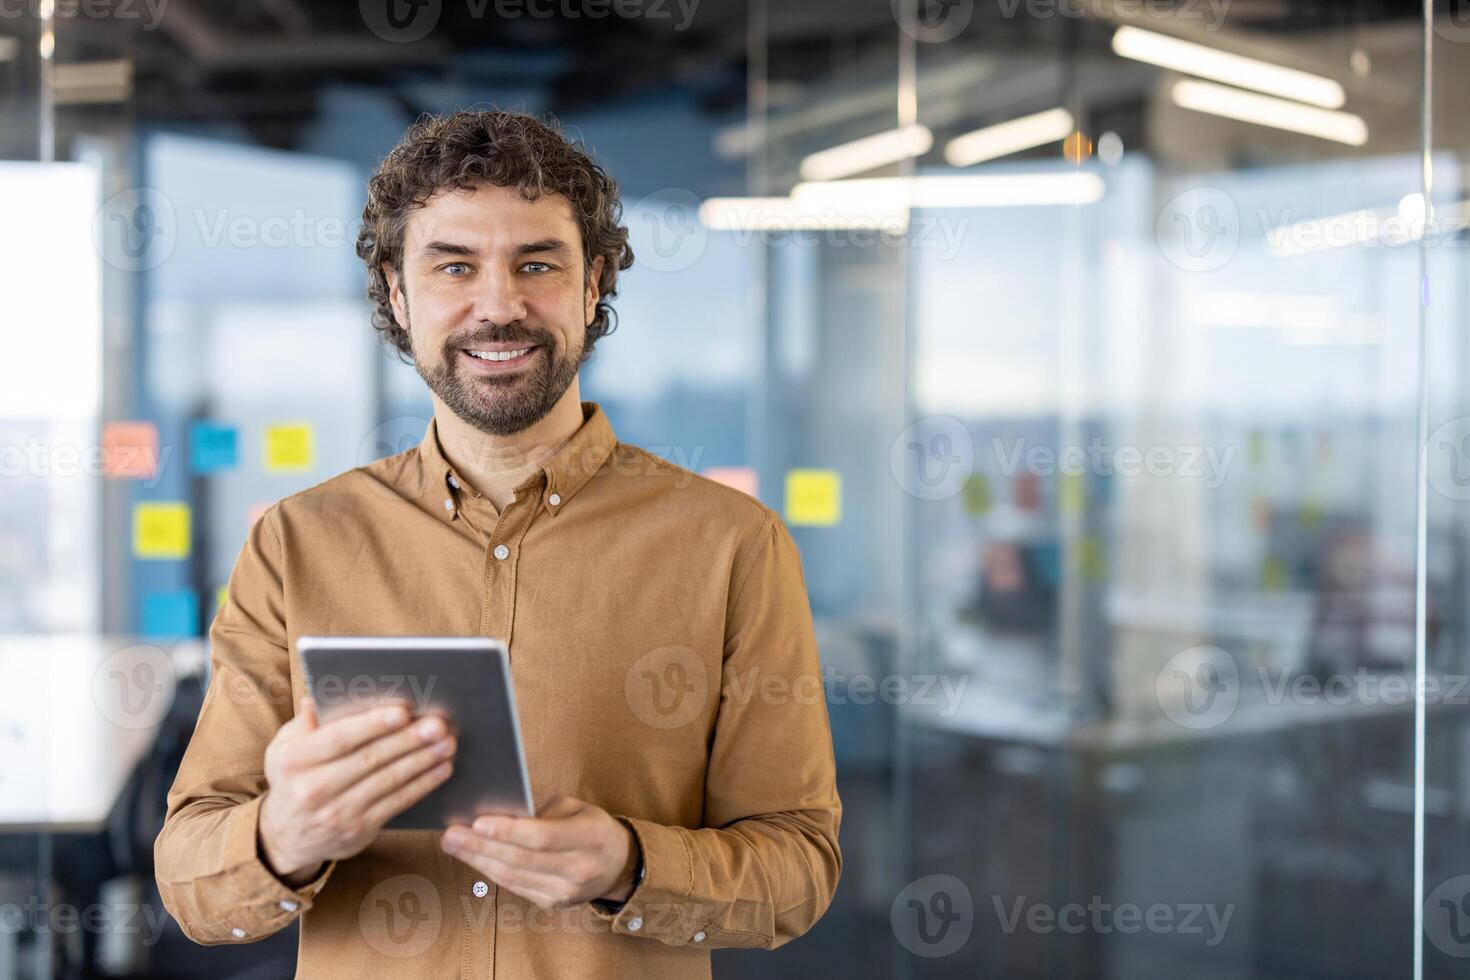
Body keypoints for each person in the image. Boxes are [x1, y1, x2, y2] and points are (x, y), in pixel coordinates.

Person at [154, 109, 842, 979]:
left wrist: (631, 865)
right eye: (453, 266)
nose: (499, 305)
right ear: (399, 297)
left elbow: (798, 871)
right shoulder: (295, 544)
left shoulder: (733, 545)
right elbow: (189, 878)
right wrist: (283, 835)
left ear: (594, 285)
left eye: (537, 263)